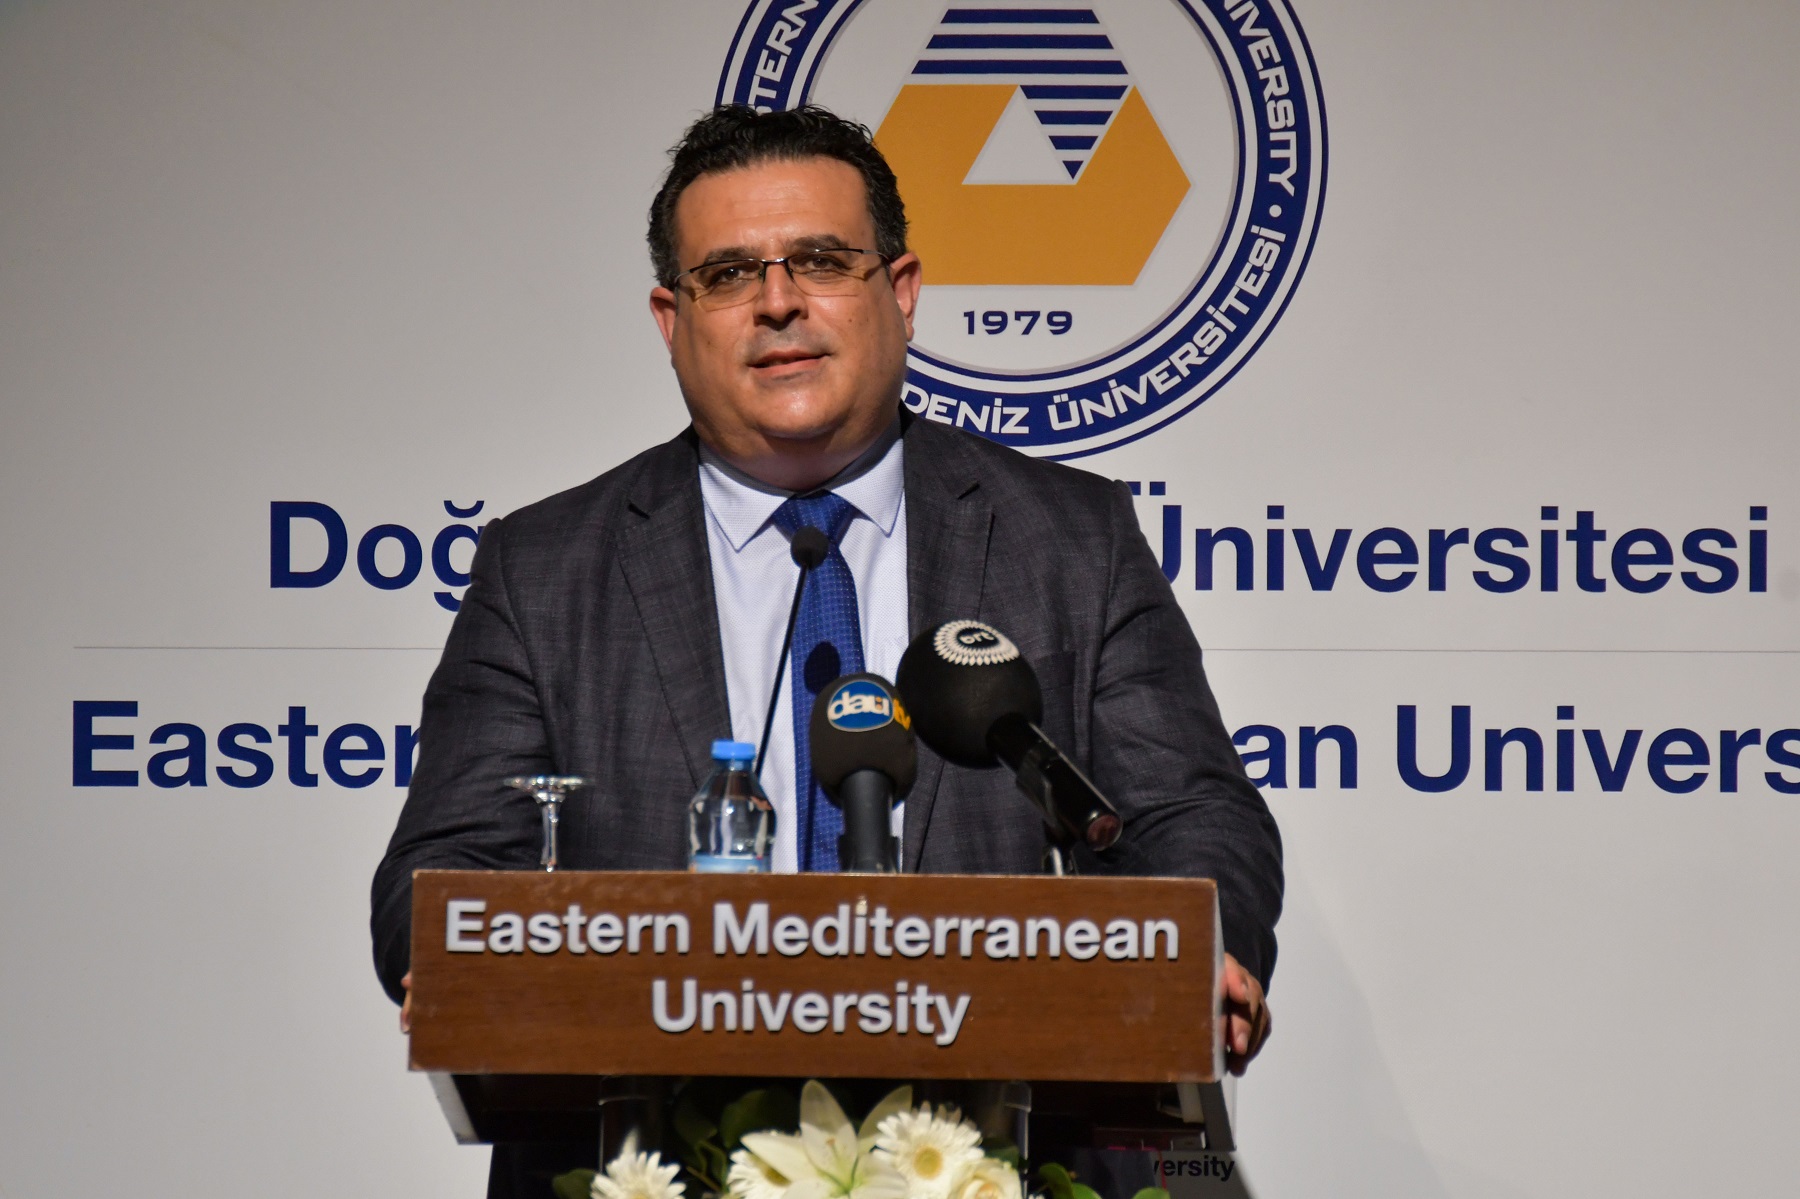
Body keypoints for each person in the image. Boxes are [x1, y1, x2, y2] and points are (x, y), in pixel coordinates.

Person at [370, 104, 1281, 1194]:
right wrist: (456, 959)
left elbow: (1193, 813)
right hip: (645, 1162)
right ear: (671, 317)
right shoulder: (544, 567)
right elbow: (442, 869)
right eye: (726, 274)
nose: (777, 301)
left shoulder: (1071, 540)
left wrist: (1206, 951)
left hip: (1010, 1160)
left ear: (900, 291)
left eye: (819, 260)